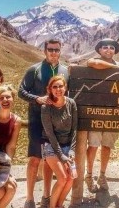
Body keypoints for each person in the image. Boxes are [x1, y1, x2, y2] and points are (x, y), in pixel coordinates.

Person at [18, 39, 69, 208]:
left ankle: (46, 197)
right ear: (44, 51)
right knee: (34, 159)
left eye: (57, 50)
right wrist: (37, 99)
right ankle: (29, 198)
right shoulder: (34, 69)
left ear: (60, 51)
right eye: (50, 49)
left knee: (49, 160)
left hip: (55, 123)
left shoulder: (65, 70)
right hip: (36, 121)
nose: (54, 52)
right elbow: (21, 92)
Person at [84, 38, 119, 193]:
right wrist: (114, 67)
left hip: (113, 112)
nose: (108, 50)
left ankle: (102, 175)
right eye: (105, 47)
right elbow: (94, 64)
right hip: (95, 112)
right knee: (93, 145)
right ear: (99, 50)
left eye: (111, 48)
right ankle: (89, 175)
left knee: (107, 146)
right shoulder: (94, 61)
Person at [41, 75, 77, 208]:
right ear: (49, 89)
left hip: (68, 146)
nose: (58, 89)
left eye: (60, 86)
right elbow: (50, 134)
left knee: (70, 179)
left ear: (65, 87)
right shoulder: (46, 108)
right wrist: (61, 155)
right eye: (54, 87)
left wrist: (72, 150)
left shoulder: (71, 103)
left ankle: (59, 205)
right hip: (51, 146)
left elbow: (74, 129)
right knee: (62, 178)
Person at [0, 85, 21, 207]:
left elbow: (11, 147)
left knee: (11, 187)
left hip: (0, 161)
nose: (5, 100)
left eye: (8, 97)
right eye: (1, 98)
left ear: (13, 99)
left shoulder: (16, 121)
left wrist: (5, 169)